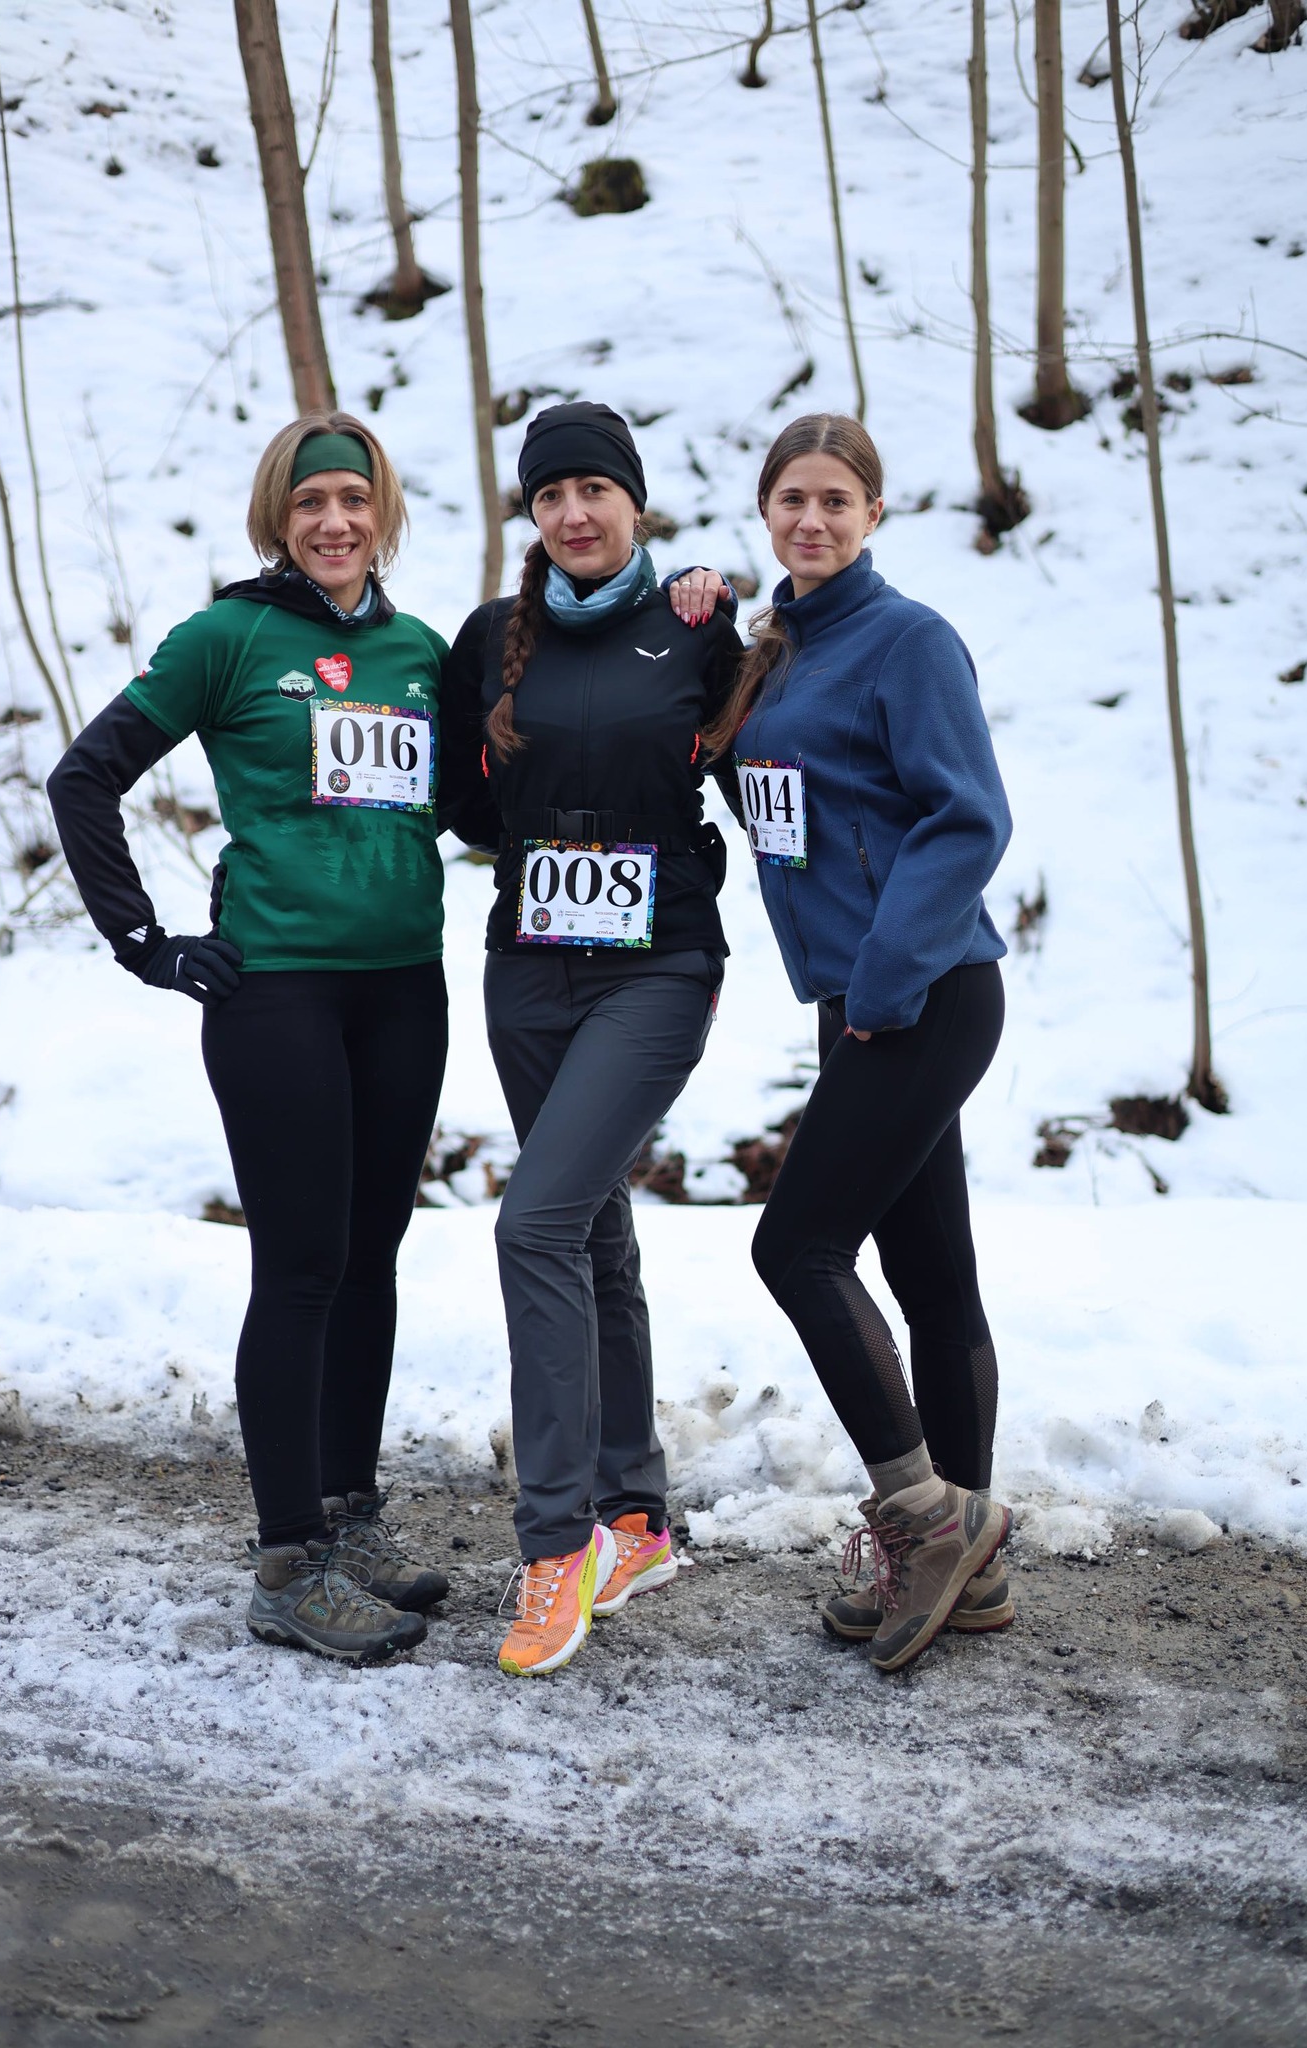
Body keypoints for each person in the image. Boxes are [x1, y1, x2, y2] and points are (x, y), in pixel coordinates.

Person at [48, 411, 473, 1665]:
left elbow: (465, 803)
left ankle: (348, 1521)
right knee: (301, 1265)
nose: (334, 521)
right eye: (309, 503)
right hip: (277, 990)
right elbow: (84, 776)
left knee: (373, 1257)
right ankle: (287, 1563)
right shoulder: (227, 637)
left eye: (354, 499)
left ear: (382, 513)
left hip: (405, 988)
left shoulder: (417, 651)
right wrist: (146, 940)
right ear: (278, 519)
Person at [692, 412, 1014, 1675]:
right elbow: (777, 804)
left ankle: (927, 1521)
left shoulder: (909, 639)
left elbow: (966, 817)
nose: (813, 519)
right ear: (766, 511)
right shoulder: (777, 652)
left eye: (837, 499)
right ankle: (970, 1563)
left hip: (923, 989)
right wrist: (704, 635)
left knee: (796, 1245)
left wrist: (883, 976)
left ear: (875, 514)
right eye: (793, 499)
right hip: (860, 996)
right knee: (931, 1275)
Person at [441, 402, 741, 1676]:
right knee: (592, 1228)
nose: (573, 512)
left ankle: (555, 1544)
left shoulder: (697, 625)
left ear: (635, 500)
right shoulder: (487, 640)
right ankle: (636, 1515)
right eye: (550, 494)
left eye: (594, 490)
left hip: (658, 967)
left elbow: (772, 763)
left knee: (536, 1223)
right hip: (527, 969)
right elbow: (463, 801)